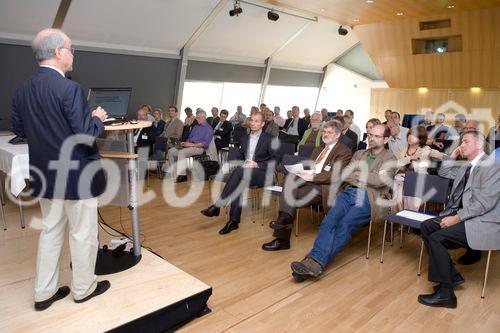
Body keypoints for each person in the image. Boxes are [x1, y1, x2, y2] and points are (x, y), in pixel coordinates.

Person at [11, 28, 110, 310]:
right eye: (71, 49)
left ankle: (44, 293)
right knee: (82, 234)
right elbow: (87, 136)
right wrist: (97, 119)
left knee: (50, 232)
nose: (72, 54)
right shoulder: (70, 89)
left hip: (45, 176)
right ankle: (83, 288)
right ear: (58, 52)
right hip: (77, 177)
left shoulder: (21, 89)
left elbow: (19, 129)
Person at [290, 124, 396, 281]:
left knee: (344, 225)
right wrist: (366, 175)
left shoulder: (390, 159)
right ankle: (314, 263)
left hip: (369, 197)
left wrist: (359, 173)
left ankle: (314, 261)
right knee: (328, 221)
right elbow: (346, 174)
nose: (372, 138)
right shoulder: (360, 153)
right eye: (370, 134)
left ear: (386, 139)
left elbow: (380, 181)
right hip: (349, 192)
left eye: (377, 136)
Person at [418, 131, 500, 309]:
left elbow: (484, 204)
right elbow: (444, 171)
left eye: (465, 142)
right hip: (462, 216)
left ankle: (446, 294)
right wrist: (452, 155)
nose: (461, 145)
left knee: (437, 237)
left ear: (479, 145)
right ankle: (451, 275)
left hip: (481, 220)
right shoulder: (465, 166)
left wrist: (456, 218)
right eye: (461, 142)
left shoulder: (492, 167)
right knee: (426, 227)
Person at [262, 121, 352, 251]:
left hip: (324, 187)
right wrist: (303, 172)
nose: (325, 135)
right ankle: (284, 223)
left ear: (337, 135)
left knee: (288, 193)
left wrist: (313, 177)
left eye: (329, 132)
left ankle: (282, 236)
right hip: (309, 181)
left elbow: (335, 175)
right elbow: (311, 167)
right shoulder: (318, 149)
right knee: (291, 178)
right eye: (324, 132)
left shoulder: (344, 151)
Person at [200, 112, 278, 235]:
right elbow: (241, 156)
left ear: (262, 124)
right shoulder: (244, 138)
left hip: (263, 173)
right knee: (240, 180)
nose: (253, 123)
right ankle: (233, 221)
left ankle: (218, 206)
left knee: (240, 174)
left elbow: (275, 161)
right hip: (245, 173)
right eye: (252, 120)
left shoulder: (270, 139)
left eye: (257, 121)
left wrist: (256, 164)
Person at [392, 126, 444, 212]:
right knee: (399, 188)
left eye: (414, 136)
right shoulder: (402, 149)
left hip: (417, 179)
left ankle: (408, 215)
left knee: (408, 189)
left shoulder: (426, 150)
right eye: (410, 135)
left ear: (420, 139)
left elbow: (441, 156)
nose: (410, 137)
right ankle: (398, 215)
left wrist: (453, 156)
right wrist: (410, 158)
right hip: (400, 178)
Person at [164, 109, 213, 182]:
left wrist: (190, 144)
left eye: (198, 118)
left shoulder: (209, 129)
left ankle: (182, 175)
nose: (196, 119)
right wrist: (184, 143)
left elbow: (205, 144)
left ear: (204, 117)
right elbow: (190, 138)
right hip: (189, 146)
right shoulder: (196, 127)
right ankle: (173, 172)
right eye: (196, 117)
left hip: (198, 148)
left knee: (181, 153)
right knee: (171, 151)